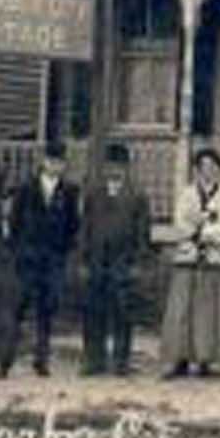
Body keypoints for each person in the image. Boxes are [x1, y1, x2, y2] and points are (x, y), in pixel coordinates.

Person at [0, 142, 80, 379]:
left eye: (60, 162)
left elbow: (73, 226)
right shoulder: (25, 189)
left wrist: (64, 252)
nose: (56, 166)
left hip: (52, 260)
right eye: (51, 161)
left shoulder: (70, 192)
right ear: (43, 162)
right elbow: (14, 223)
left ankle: (41, 360)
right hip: (28, 259)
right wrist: (18, 251)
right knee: (17, 310)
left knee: (46, 310)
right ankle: (5, 361)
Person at [160, 147, 220, 379]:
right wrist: (195, 232)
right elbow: (180, 222)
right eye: (204, 167)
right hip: (189, 255)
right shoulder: (187, 194)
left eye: (213, 167)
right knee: (183, 309)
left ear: (218, 170)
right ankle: (180, 359)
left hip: (215, 257)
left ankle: (206, 359)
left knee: (209, 311)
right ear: (196, 170)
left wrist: (210, 233)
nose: (209, 172)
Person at [80, 142, 151, 377]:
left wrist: (138, 263)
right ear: (104, 167)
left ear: (127, 168)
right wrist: (83, 260)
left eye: (120, 166)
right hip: (97, 261)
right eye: (111, 166)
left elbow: (143, 234)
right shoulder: (93, 193)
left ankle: (120, 360)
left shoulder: (137, 196)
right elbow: (85, 229)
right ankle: (93, 359)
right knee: (94, 311)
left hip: (123, 262)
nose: (115, 171)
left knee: (122, 312)